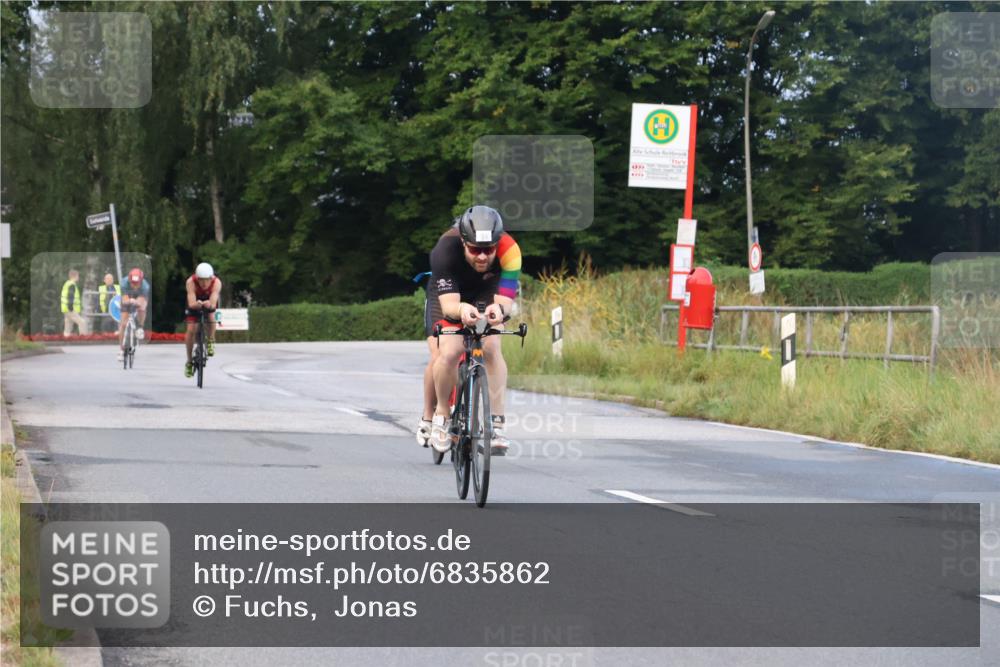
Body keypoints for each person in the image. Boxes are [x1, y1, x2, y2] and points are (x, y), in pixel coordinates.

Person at [421, 205, 521, 456]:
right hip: (449, 293)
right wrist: (462, 310)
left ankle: (496, 426)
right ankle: (440, 415)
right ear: (463, 242)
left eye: (488, 250)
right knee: (448, 351)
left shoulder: (511, 251)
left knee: (491, 346)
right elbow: (449, 306)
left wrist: (499, 310)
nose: (482, 257)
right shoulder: (445, 250)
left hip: (487, 290)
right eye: (475, 249)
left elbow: (506, 302)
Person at [184, 262, 222, 378]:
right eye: (201, 280)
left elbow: (213, 301)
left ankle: (211, 340)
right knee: (191, 329)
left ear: (211, 278)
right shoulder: (190, 282)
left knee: (211, 317)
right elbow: (191, 302)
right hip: (195, 303)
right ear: (197, 278)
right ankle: (189, 361)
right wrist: (197, 304)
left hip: (209, 302)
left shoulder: (217, 282)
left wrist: (209, 305)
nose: (204, 283)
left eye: (207, 280)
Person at [118, 268, 151, 361]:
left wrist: (137, 303)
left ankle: (140, 326)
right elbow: (124, 300)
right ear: (129, 280)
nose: (134, 286)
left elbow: (143, 303)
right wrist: (129, 301)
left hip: (140, 297)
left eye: (137, 284)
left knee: (142, 309)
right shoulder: (124, 283)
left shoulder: (145, 286)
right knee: (123, 324)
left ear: (141, 281)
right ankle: (121, 349)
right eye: (132, 283)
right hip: (128, 297)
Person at [60, 269, 88, 336]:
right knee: (82, 322)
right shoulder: (72, 285)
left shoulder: (67, 284)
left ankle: (66, 337)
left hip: (66, 308)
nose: (78, 277)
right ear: (75, 276)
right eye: (78, 275)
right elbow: (70, 296)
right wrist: (71, 307)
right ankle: (84, 338)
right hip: (70, 308)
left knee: (68, 326)